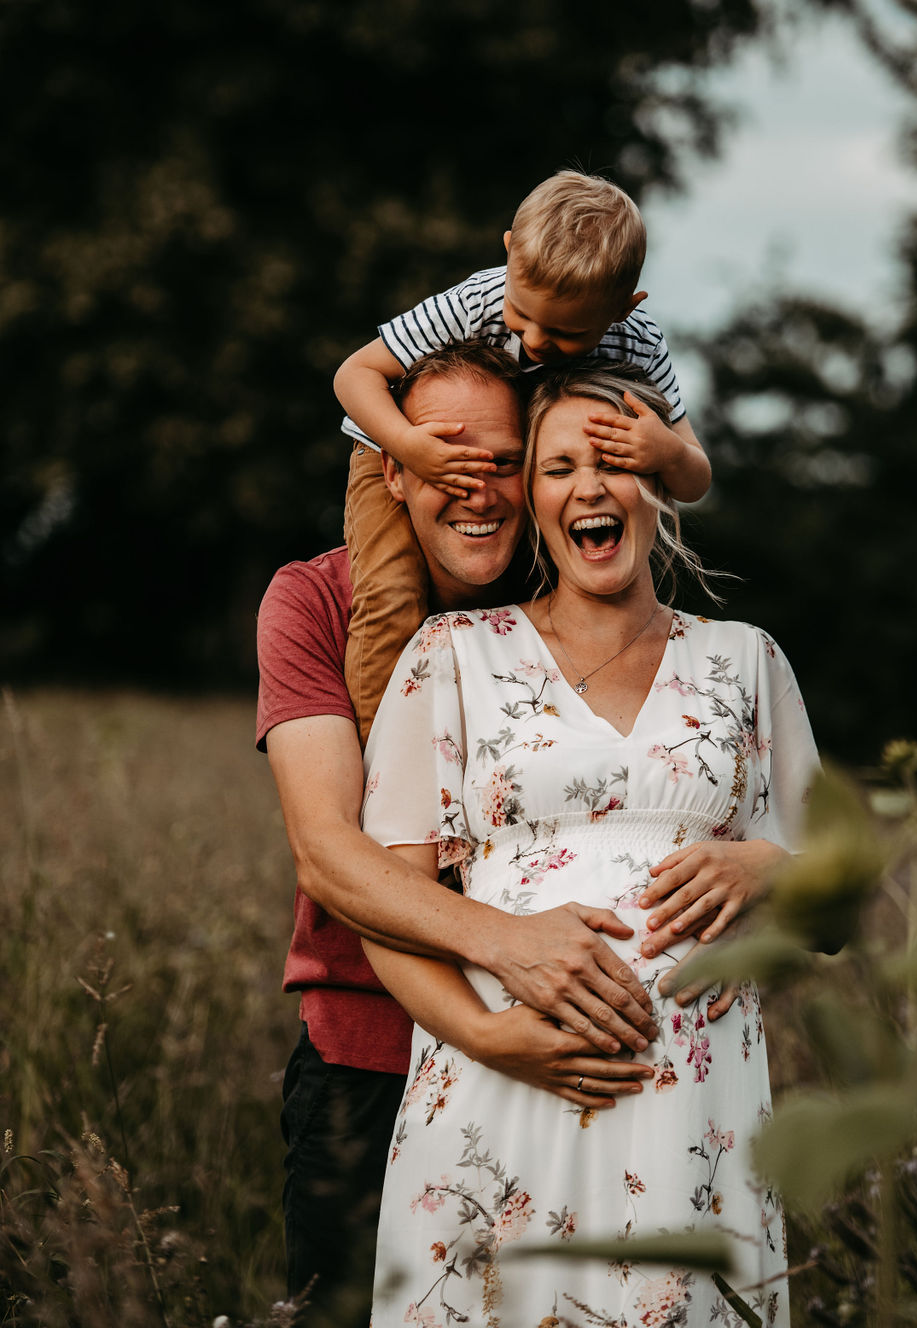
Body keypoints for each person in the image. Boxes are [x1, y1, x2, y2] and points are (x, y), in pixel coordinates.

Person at [259, 345, 740, 1324]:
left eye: (505, 463)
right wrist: (505, 950)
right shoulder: (314, 599)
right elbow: (327, 851)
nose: (476, 490)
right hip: (372, 1061)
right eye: (444, 458)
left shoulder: (580, 600)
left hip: (575, 1066)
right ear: (389, 467)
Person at [360, 365, 819, 1327]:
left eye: (616, 459)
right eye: (560, 464)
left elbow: (841, 901)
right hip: (497, 1085)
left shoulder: (746, 660)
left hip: (693, 1120)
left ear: (658, 486)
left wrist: (766, 865)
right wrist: (494, 1038)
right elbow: (388, 911)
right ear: (531, 497)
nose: (592, 486)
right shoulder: (451, 656)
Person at [333, 170, 712, 741]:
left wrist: (664, 449)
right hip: (395, 447)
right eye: (523, 313)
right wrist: (410, 448)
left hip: (520, 464)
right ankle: (380, 757)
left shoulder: (640, 339)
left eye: (565, 333)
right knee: (391, 596)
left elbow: (696, 476)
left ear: (623, 308)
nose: (535, 339)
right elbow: (354, 373)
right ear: (509, 251)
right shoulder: (475, 301)